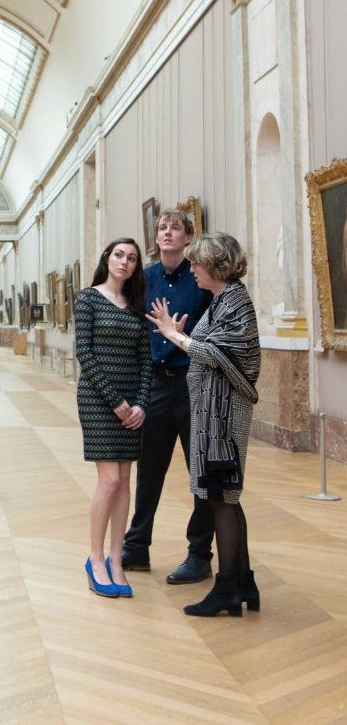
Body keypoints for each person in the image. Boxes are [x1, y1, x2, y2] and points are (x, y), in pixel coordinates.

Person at [147, 232, 261, 617]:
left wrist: (176, 337)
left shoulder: (235, 301)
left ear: (215, 264)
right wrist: (180, 335)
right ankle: (243, 583)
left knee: (220, 499)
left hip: (223, 418)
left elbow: (218, 354)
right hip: (214, 415)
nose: (192, 267)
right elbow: (214, 349)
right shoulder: (222, 300)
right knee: (225, 498)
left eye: (197, 262)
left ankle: (226, 589)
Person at [122, 210, 215, 584]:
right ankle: (136, 546)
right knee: (149, 470)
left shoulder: (200, 278)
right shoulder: (144, 278)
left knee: (200, 473)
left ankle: (199, 554)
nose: (167, 232)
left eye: (175, 227)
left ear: (188, 237)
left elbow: (212, 331)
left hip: (193, 383)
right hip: (156, 384)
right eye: (162, 227)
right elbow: (133, 329)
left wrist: (183, 337)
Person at [75, 239, 152, 598]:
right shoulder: (88, 298)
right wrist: (116, 401)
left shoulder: (137, 306)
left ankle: (116, 560)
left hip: (130, 406)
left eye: (132, 258)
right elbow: (85, 353)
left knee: (124, 482)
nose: (124, 262)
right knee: (109, 481)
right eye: (119, 255)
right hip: (97, 400)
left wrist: (141, 404)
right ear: (107, 257)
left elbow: (145, 360)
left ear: (136, 266)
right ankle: (95, 559)